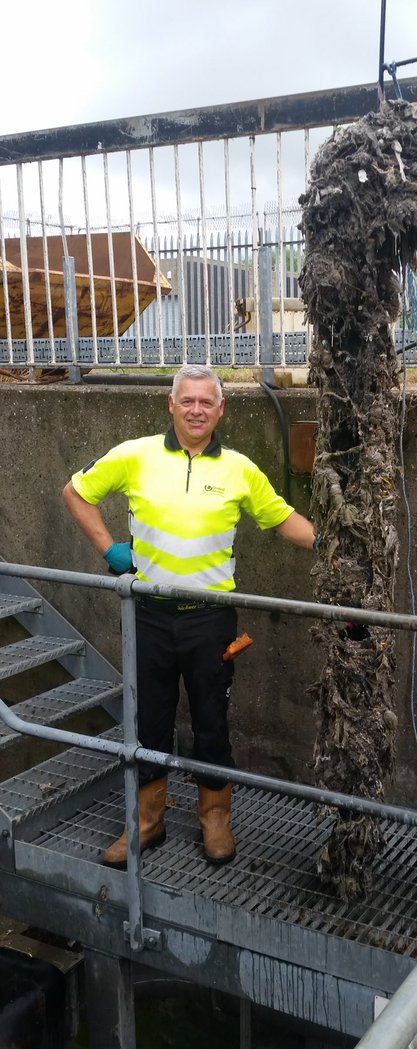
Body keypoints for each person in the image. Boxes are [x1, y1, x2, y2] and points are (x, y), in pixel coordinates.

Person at [63, 365, 315, 869]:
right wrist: (109, 549)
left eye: (206, 402)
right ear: (171, 406)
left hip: (211, 618)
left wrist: (332, 545)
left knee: (211, 722)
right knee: (148, 721)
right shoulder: (135, 455)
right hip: (148, 614)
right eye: (187, 401)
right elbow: (76, 493)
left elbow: (282, 518)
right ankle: (147, 822)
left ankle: (215, 821)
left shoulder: (240, 469)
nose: (196, 410)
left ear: (221, 409)